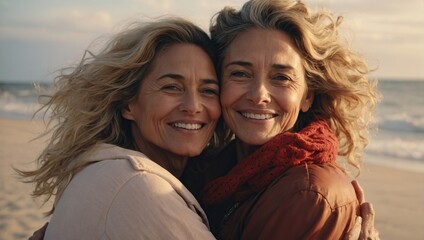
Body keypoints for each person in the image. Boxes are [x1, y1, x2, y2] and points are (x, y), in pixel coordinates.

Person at [181, 0, 380, 239]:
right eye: (240, 74)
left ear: (307, 95)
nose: (258, 95)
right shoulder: (218, 169)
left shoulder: (307, 193)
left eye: (281, 77)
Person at [17, 17, 223, 239]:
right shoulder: (140, 186)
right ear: (128, 104)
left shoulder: (104, 170)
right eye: (171, 87)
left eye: (208, 90)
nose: (193, 106)